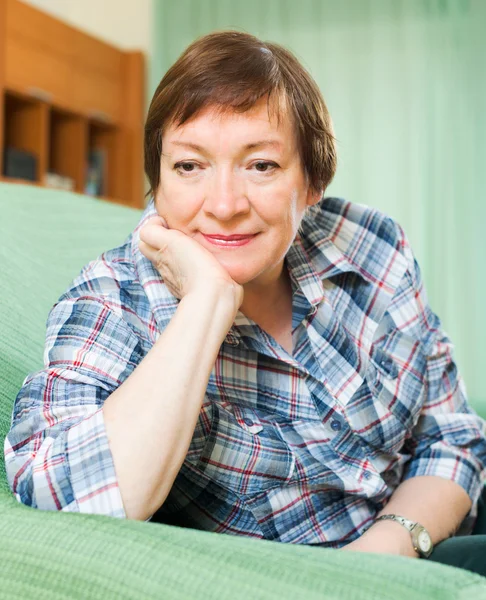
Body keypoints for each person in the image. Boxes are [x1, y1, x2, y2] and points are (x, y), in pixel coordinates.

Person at [4, 30, 486, 576]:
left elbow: (452, 433)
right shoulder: (115, 300)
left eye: (261, 166)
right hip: (317, 580)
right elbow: (71, 503)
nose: (226, 205)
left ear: (311, 179)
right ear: (157, 180)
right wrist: (205, 303)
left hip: (428, 527)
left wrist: (391, 546)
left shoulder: (369, 243)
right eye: (189, 166)